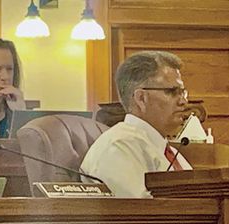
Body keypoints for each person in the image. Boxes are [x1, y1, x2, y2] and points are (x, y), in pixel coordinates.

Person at [80, 51, 192, 198]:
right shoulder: (118, 146)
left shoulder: (167, 149)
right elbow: (144, 213)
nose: (183, 101)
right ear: (141, 98)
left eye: (183, 93)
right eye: (172, 92)